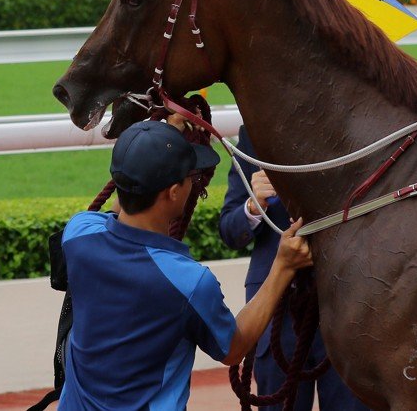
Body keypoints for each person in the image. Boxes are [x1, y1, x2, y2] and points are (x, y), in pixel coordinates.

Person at [59, 118, 313, 410]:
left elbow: (117, 207)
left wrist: (165, 136)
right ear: (174, 192)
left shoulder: (78, 233)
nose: (196, 181)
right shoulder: (187, 281)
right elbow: (233, 348)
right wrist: (283, 266)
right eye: (191, 175)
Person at [219, 127, 369, 411]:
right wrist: (253, 204)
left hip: (345, 301)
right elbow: (229, 231)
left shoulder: (347, 121)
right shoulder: (254, 133)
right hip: (276, 306)